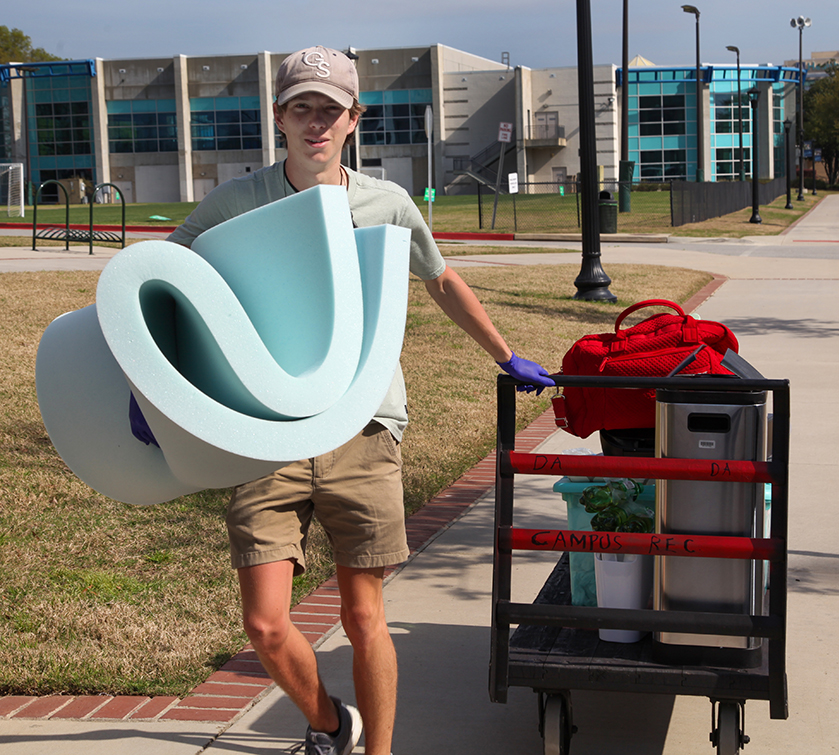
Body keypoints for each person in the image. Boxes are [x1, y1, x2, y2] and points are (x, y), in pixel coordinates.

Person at [163, 46, 553, 755]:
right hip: (267, 431)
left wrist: (504, 353)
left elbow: (440, 280)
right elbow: (164, 281)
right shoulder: (236, 204)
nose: (316, 122)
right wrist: (151, 380)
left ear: (354, 120)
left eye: (330, 109)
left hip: (365, 426)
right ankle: (332, 724)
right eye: (301, 107)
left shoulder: (387, 204)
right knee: (266, 625)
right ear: (278, 116)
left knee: (364, 612)